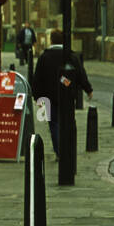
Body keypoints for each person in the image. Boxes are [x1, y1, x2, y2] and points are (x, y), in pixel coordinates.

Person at [30, 29, 93, 158]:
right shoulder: (70, 56)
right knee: (68, 122)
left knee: (53, 124)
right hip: (67, 96)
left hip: (48, 98)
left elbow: (37, 79)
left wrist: (37, 97)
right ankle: (67, 149)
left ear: (51, 40)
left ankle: (59, 151)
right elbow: (80, 74)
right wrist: (88, 89)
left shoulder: (44, 57)